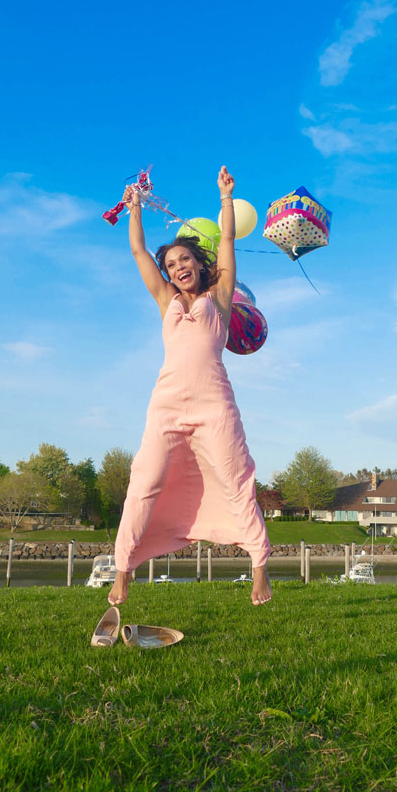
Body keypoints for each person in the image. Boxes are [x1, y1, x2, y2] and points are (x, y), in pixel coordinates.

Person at [108, 166, 271, 607]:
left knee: (237, 478)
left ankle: (259, 569)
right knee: (143, 481)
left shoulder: (218, 298)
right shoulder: (165, 301)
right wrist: (135, 207)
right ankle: (123, 572)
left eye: (184, 260)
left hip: (215, 404)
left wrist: (225, 198)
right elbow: (139, 252)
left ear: (200, 264)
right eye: (171, 265)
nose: (177, 267)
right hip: (165, 407)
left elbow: (227, 243)